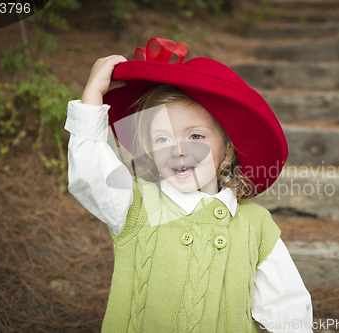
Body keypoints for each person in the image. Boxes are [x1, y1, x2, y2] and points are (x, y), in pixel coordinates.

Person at [65, 38, 313, 333]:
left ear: (228, 149)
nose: (178, 150)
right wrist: (92, 96)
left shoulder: (256, 226)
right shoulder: (136, 206)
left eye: (195, 136)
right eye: (162, 139)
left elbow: (287, 307)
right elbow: (90, 174)